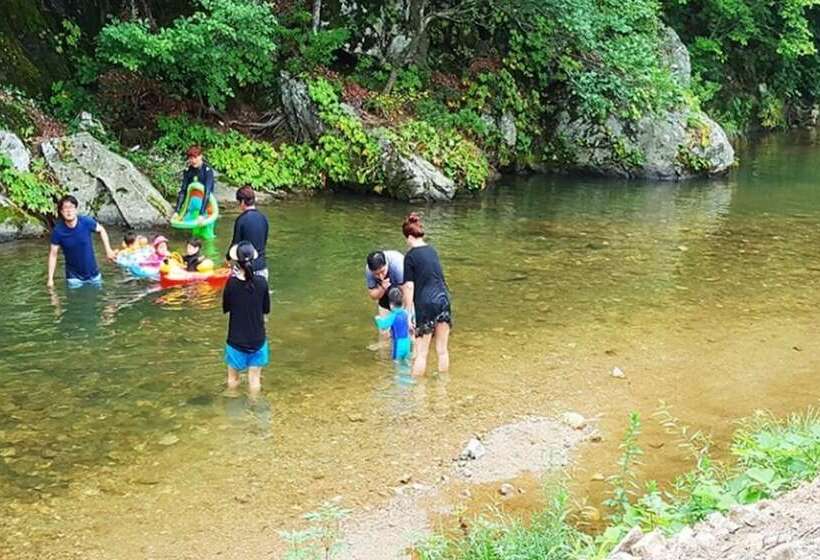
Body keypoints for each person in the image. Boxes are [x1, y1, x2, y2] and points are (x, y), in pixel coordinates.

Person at [401, 212, 451, 376]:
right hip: (443, 299)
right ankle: (442, 388)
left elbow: (408, 287)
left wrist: (408, 313)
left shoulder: (410, 257)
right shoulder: (432, 250)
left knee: (421, 353)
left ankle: (416, 393)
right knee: (442, 350)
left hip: (426, 303)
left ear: (409, 236)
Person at [223, 241, 271, 394]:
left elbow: (226, 308)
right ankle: (254, 408)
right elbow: (266, 309)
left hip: (236, 340)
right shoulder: (262, 283)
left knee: (232, 379)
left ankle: (233, 410)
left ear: (236, 261)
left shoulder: (231, 283)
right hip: (258, 339)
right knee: (255, 380)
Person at [47, 195, 115, 288]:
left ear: (76, 209)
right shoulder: (58, 231)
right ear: (61, 212)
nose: (69, 211)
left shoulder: (86, 222)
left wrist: (108, 250)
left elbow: (101, 230)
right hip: (74, 278)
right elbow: (53, 255)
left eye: (71, 207)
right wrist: (50, 279)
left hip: (93, 274)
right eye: (65, 208)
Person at [227, 186, 269, 278]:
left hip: (245, 269)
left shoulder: (241, 220)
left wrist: (227, 258)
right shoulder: (263, 218)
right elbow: (264, 241)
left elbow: (235, 244)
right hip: (262, 267)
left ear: (242, 201)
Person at [173, 145, 215, 222]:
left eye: (195, 158)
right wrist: (177, 211)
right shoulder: (188, 171)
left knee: (204, 232)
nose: (193, 161)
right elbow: (183, 191)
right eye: (191, 158)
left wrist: (201, 214)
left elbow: (207, 192)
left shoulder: (207, 171)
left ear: (201, 156)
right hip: (192, 204)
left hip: (205, 204)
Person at [374, 286, 412, 361]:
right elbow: (410, 326)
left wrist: (378, 319)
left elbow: (383, 326)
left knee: (397, 362)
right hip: (407, 342)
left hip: (398, 344)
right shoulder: (405, 313)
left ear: (391, 305)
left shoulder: (393, 316)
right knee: (406, 361)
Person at [365, 250, 404, 318]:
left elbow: (407, 289)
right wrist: (382, 288)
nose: (381, 276)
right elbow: (373, 296)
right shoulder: (369, 270)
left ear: (387, 265)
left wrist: (407, 312)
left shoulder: (398, 265)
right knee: (385, 326)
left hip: (403, 286)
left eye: (382, 271)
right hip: (385, 291)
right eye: (376, 274)